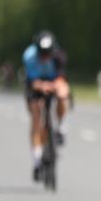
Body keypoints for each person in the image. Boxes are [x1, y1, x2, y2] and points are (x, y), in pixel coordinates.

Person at [22, 31, 70, 181]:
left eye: (47, 54)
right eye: (42, 54)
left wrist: (55, 86)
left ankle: (61, 126)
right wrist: (42, 86)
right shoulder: (29, 56)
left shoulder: (59, 55)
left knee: (63, 95)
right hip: (35, 84)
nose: (45, 57)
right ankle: (37, 160)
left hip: (53, 81)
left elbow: (62, 78)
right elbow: (31, 81)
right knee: (36, 117)